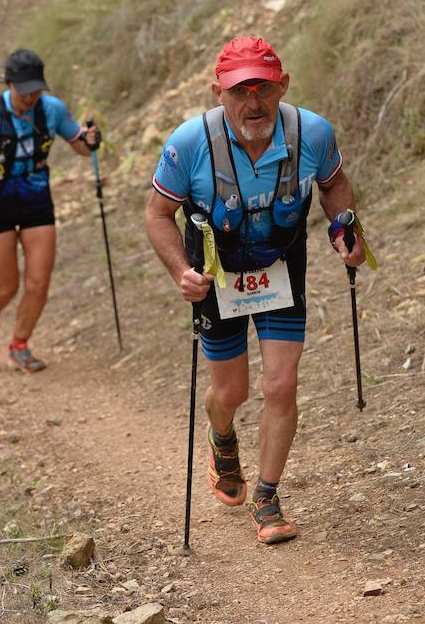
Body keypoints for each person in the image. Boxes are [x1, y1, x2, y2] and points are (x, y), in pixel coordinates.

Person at [145, 35, 366, 545]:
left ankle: (267, 495)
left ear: (282, 85)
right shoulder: (188, 143)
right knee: (231, 392)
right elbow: (157, 213)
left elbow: (334, 186)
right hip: (216, 276)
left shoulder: (311, 132)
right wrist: (181, 270)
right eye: (239, 91)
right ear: (218, 93)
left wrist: (344, 231)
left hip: (280, 264)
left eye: (262, 89)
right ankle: (222, 436)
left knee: (281, 385)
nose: (252, 103)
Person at [0, 48, 101, 373]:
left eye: (36, 89)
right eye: (24, 89)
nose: (31, 96)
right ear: (8, 83)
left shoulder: (52, 109)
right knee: (7, 286)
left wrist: (90, 140)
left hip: (36, 203)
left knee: (38, 284)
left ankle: (19, 345)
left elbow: (82, 148)